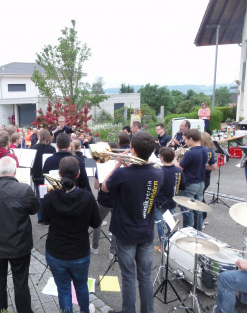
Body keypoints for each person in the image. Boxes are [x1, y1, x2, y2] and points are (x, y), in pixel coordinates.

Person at [102, 131, 164, 313]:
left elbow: (105, 187)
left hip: (126, 232)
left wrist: (119, 164)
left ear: (133, 150)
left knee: (128, 277)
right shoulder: (158, 173)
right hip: (146, 232)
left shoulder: (123, 173)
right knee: (145, 277)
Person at [0, 157, 39, 313]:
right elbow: (34, 210)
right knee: (21, 281)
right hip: (19, 246)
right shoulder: (24, 189)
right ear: (15, 171)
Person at [43, 156, 101, 313]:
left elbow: (44, 219)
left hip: (56, 252)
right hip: (79, 252)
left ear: (59, 175)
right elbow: (96, 224)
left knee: (63, 289)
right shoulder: (88, 197)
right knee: (81, 286)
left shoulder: (50, 197)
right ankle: (85, 310)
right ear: (78, 174)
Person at [173, 129, 217, 230]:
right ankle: (198, 231)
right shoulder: (206, 150)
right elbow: (213, 167)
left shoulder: (190, 153)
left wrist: (174, 158)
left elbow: (179, 167)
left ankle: (188, 232)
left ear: (191, 139)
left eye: (186, 140)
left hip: (189, 183)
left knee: (187, 210)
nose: (185, 142)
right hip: (201, 182)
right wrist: (199, 167)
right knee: (198, 208)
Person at [154, 147, 184, 251]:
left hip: (160, 203)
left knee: (160, 224)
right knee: (170, 223)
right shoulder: (178, 170)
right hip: (172, 200)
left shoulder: (159, 171)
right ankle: (171, 244)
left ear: (161, 158)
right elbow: (182, 186)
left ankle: (164, 246)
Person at [90, 164, 116, 260]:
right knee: (116, 225)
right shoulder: (122, 169)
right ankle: (112, 251)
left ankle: (95, 247)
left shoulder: (101, 168)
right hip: (117, 200)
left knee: (97, 223)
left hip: (104, 200)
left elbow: (96, 186)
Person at [31, 129, 56, 225]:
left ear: (40, 137)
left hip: (37, 176)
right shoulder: (52, 149)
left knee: (39, 197)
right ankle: (48, 218)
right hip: (48, 176)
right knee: (48, 197)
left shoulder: (34, 148)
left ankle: (40, 218)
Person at [200, 132, 216, 226]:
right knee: (201, 197)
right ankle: (204, 218)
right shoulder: (209, 150)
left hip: (204, 177)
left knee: (199, 198)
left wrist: (201, 167)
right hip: (206, 178)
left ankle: (202, 218)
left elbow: (214, 167)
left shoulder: (207, 151)